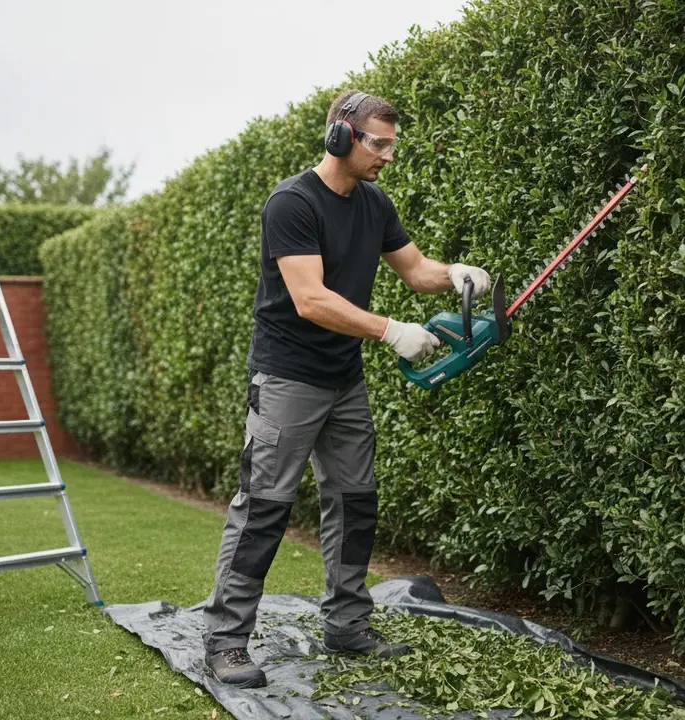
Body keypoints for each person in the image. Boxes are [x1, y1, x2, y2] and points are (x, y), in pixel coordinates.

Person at [202, 89, 491, 688]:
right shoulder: (292, 203)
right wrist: (390, 331)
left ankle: (347, 624)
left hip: (343, 380)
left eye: (392, 144)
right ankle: (226, 642)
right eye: (378, 143)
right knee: (263, 510)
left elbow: (415, 271)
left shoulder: (375, 204)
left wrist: (453, 275)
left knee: (355, 501)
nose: (388, 155)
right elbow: (310, 300)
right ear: (341, 135)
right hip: (286, 378)